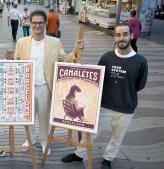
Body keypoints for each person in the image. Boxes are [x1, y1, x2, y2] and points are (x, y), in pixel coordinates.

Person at [61, 23, 148, 169]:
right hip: (103, 105)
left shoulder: (140, 61)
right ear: (114, 37)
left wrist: (125, 93)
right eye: (118, 35)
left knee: (117, 137)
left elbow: (140, 85)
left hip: (126, 107)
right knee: (90, 132)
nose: (122, 38)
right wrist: (84, 71)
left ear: (131, 36)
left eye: (125, 34)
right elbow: (98, 79)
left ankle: (108, 159)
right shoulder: (107, 57)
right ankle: (79, 154)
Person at [14, 10, 83, 155]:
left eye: (40, 22)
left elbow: (64, 60)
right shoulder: (21, 43)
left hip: (45, 86)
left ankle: (44, 140)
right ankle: (30, 138)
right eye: (34, 23)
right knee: (28, 116)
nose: (37, 25)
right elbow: (17, 63)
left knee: (44, 116)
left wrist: (76, 51)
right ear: (30, 24)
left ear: (45, 23)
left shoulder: (54, 42)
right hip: (27, 87)